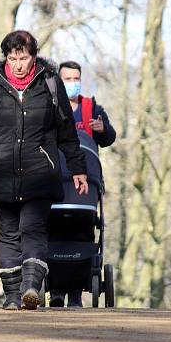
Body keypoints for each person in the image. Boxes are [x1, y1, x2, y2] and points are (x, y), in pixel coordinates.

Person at [0, 30, 88, 310]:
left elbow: (67, 131)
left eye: (23, 57)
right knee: (8, 234)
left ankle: (31, 288)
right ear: (5, 57)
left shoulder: (50, 82)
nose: (18, 64)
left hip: (40, 172)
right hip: (1, 172)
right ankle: (12, 296)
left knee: (32, 228)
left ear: (34, 56)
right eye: (12, 58)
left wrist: (78, 168)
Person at [52, 60, 117, 308]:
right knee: (54, 231)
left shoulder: (92, 108)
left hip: (85, 184)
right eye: (67, 79)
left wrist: (102, 129)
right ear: (59, 81)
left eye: (75, 78)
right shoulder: (52, 107)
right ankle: (56, 288)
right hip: (59, 180)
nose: (72, 83)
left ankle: (76, 291)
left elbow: (109, 137)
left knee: (83, 232)